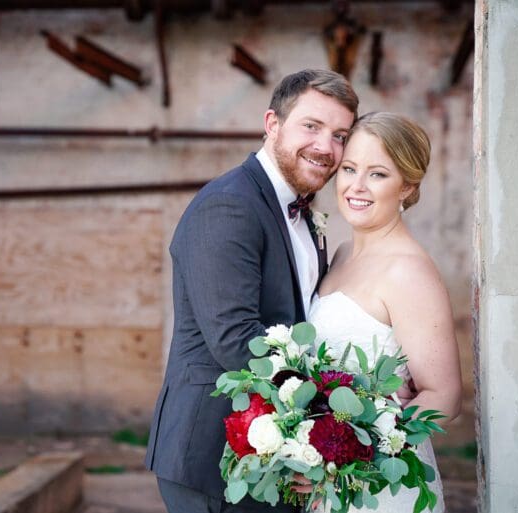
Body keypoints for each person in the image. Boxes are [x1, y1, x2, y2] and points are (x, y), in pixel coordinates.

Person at [144, 69, 358, 513]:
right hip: (214, 457)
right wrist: (336, 411)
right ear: (272, 124)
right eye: (312, 126)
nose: (326, 147)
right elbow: (236, 341)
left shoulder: (300, 213)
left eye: (340, 136)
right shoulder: (230, 206)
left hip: (270, 455)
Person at [306, 112, 463, 512]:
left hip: (378, 488)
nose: (356, 187)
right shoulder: (341, 254)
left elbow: (443, 396)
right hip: (329, 480)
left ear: (407, 186)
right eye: (349, 169)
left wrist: (353, 456)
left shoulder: (408, 271)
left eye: (377, 174)